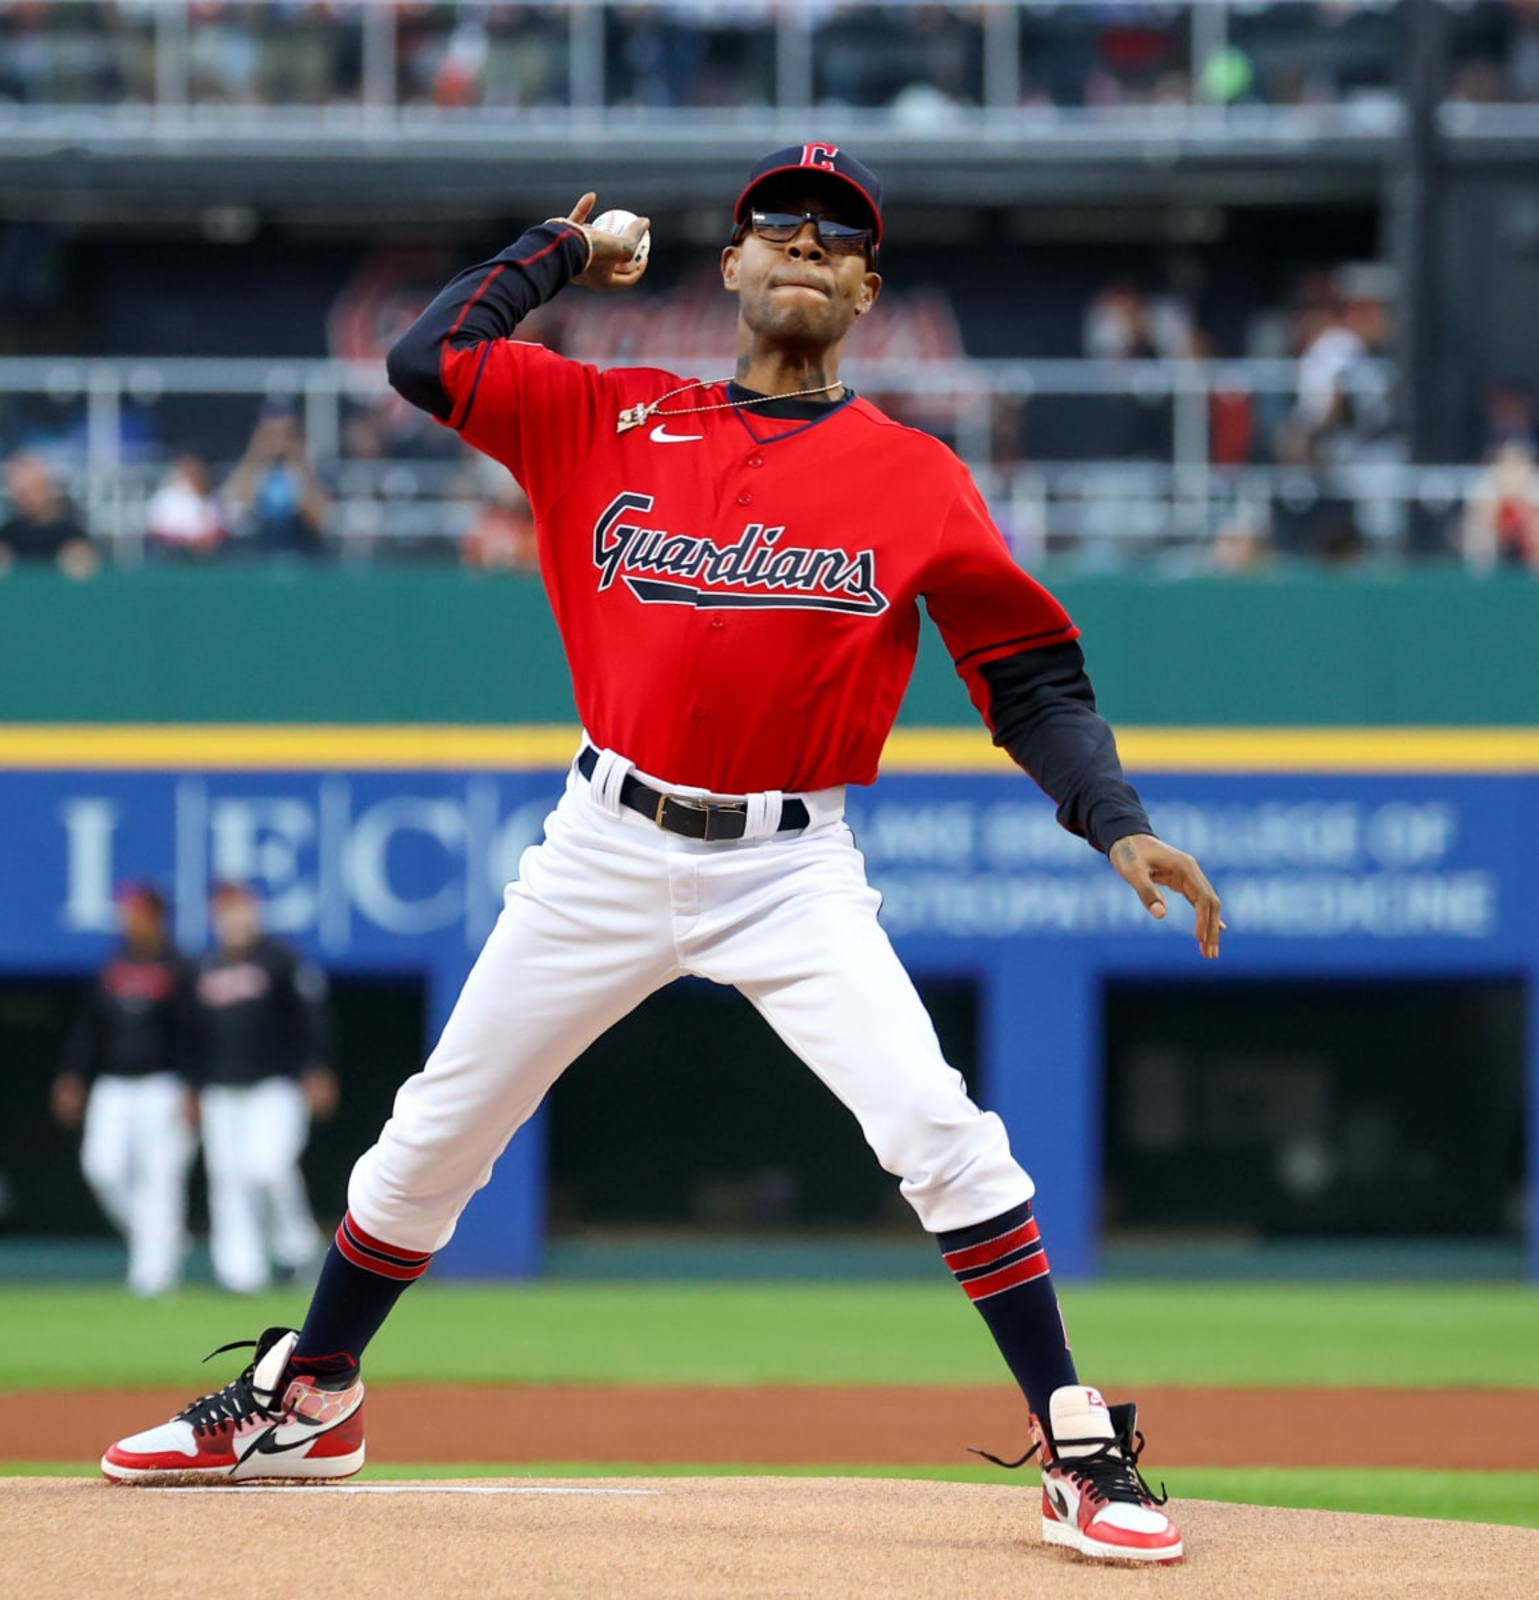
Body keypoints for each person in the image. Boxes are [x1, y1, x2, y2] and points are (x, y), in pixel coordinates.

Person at [101, 146, 1223, 1566]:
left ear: (867, 288)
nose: (806, 242)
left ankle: (1072, 1438)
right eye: (778, 225)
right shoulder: (609, 411)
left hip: (791, 865)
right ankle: (311, 1394)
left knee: (939, 1132)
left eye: (838, 234)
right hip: (603, 844)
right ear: (734, 266)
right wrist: (555, 254)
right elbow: (424, 357)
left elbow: (1033, 680)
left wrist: (1113, 818)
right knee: (432, 1135)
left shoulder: (916, 478)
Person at [189, 882, 338, 1294]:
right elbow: (191, 1034)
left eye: (240, 908)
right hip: (221, 1089)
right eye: (224, 910)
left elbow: (312, 1017)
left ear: (254, 911)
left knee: (269, 1167)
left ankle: (300, 1248)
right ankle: (241, 1273)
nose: (233, 918)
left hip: (275, 1086)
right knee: (228, 1180)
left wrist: (316, 1067)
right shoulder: (203, 966)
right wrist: (192, 1086)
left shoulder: (281, 959)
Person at [49, 885, 195, 1298]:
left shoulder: (179, 965)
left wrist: (192, 1086)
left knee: (160, 1180)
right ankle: (162, 1238)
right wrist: (73, 1075)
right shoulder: (114, 964)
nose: (124, 917)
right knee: (102, 1168)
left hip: (163, 1085)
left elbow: (193, 1033)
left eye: (132, 910)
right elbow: (90, 1029)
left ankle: (155, 1274)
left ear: (154, 915)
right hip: (113, 1086)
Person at [221, 403, 331, 558]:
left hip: (301, 551)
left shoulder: (305, 470)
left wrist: (298, 461)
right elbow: (231, 511)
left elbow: (321, 518)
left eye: (287, 433)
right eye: (271, 433)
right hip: (258, 553)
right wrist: (257, 455)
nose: (279, 440)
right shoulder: (251, 470)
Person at [0, 450, 98, 577]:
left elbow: (86, 566)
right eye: (20, 492)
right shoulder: (10, 533)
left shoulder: (69, 531)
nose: (25, 498)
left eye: (32, 490)